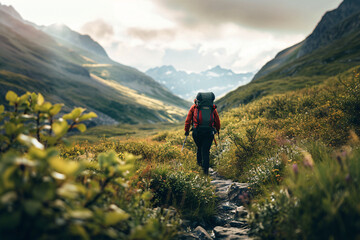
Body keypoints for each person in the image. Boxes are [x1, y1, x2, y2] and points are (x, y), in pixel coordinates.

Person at [184, 92, 221, 175]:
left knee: (199, 148)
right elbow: (217, 120)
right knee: (206, 150)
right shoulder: (212, 108)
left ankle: (199, 167)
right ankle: (206, 171)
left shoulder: (194, 107)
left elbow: (188, 120)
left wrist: (186, 131)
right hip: (209, 132)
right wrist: (217, 129)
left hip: (197, 132)